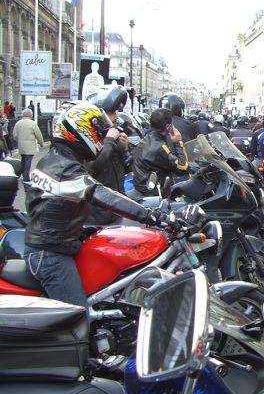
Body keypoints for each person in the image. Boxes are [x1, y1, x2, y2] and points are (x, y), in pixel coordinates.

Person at [23, 102, 162, 307]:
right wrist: (151, 216)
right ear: (80, 131)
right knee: (78, 319)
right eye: (97, 132)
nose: (99, 137)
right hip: (50, 256)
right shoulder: (63, 168)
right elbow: (103, 195)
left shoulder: (58, 159)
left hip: (61, 246)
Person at [86, 85, 131, 225]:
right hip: (99, 214)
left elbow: (129, 168)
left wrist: (124, 149)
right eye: (112, 112)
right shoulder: (88, 139)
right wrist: (110, 141)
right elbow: (94, 166)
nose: (116, 116)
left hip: (116, 207)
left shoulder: (111, 138)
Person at [131, 108, 189, 196]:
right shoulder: (159, 147)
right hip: (153, 193)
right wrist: (178, 142)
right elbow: (183, 167)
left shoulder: (148, 138)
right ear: (168, 126)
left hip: (143, 186)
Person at [12, 108, 44, 184]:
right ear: (30, 115)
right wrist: (41, 143)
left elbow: (14, 135)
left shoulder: (18, 123)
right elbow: (38, 135)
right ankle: (26, 177)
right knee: (28, 161)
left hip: (21, 145)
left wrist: (19, 140)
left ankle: (23, 174)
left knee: (23, 159)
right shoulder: (33, 123)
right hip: (30, 145)